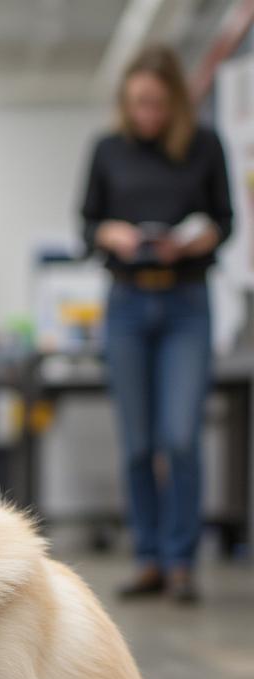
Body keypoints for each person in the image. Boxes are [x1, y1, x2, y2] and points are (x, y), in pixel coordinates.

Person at [80, 43, 233, 603]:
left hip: (185, 303)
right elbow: (87, 223)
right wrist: (113, 233)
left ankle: (181, 562)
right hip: (126, 304)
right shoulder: (107, 150)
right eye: (138, 103)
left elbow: (226, 220)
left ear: (175, 103)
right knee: (139, 444)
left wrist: (193, 239)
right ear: (126, 100)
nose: (148, 114)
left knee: (181, 438)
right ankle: (148, 558)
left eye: (157, 105)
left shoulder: (204, 147)